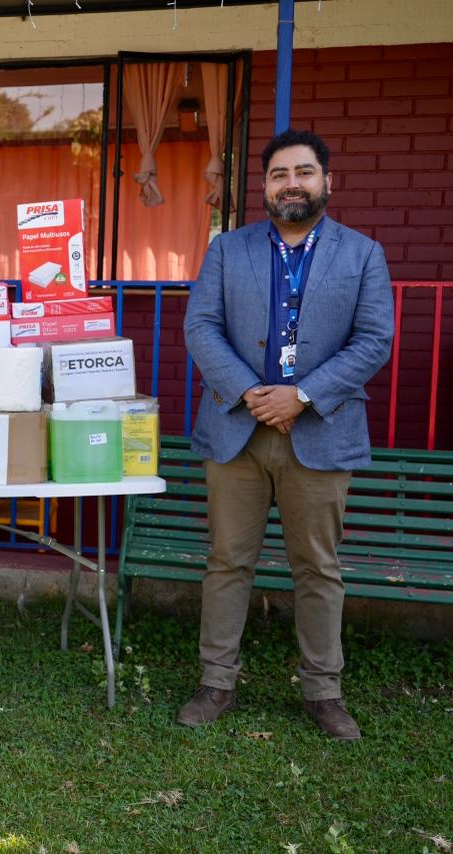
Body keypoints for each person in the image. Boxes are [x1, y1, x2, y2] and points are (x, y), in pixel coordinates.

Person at [180, 129, 394, 740]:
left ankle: (324, 691)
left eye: (303, 172)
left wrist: (300, 395)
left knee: (318, 567)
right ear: (265, 185)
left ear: (327, 181)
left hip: (320, 430)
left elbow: (374, 339)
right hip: (238, 429)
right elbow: (201, 326)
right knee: (227, 562)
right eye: (279, 174)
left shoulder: (362, 254)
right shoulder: (229, 249)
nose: (291, 183)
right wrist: (252, 392)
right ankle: (216, 682)